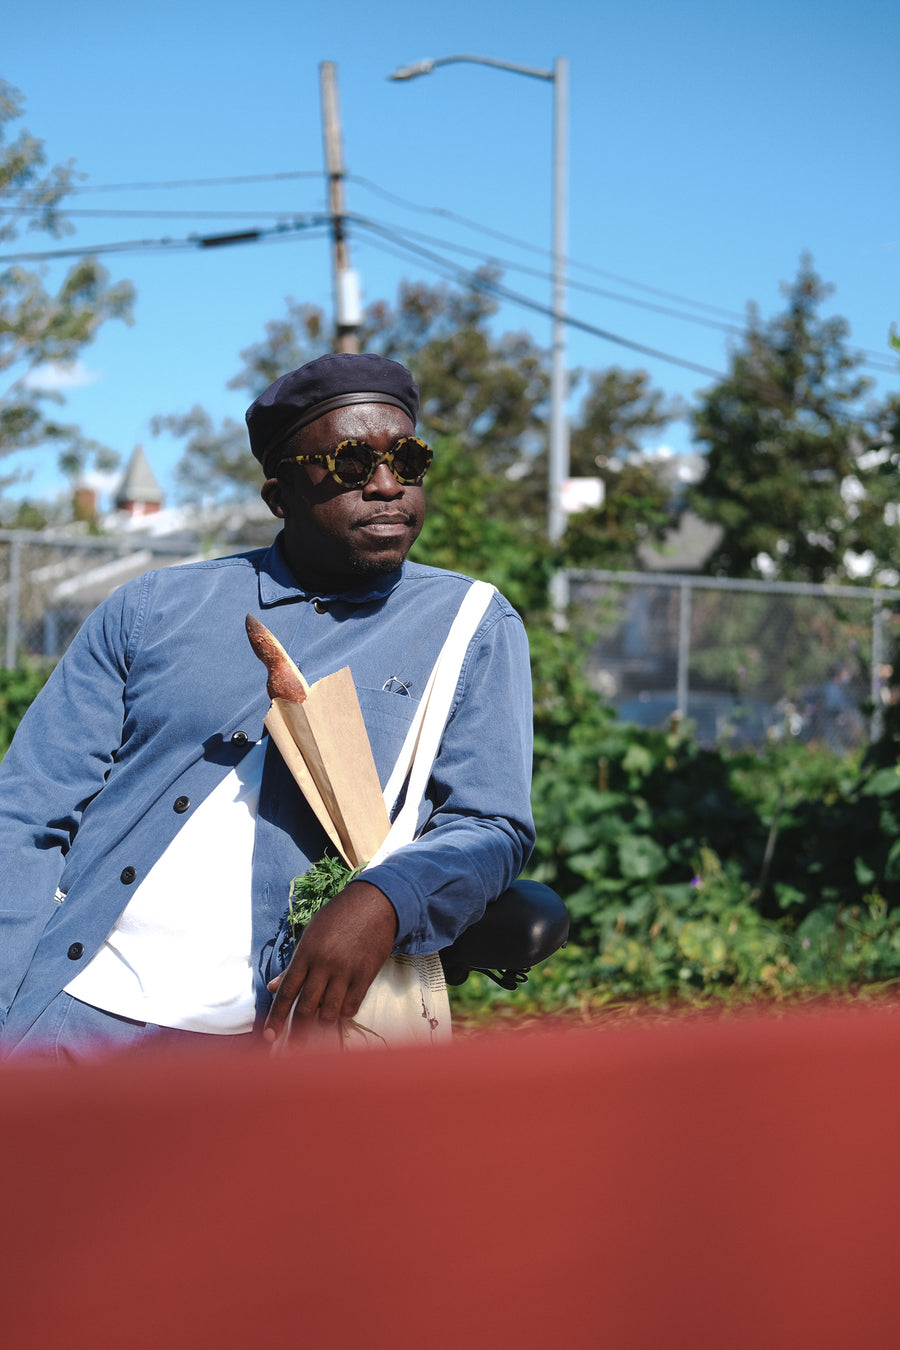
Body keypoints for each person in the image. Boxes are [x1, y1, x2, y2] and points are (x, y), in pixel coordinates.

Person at [0, 353, 534, 1060]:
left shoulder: (470, 626)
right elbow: (28, 811)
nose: (385, 486)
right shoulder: (154, 609)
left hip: (276, 1044)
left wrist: (384, 900)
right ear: (278, 494)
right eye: (349, 464)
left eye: (407, 459)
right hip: (72, 1016)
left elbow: (490, 824)